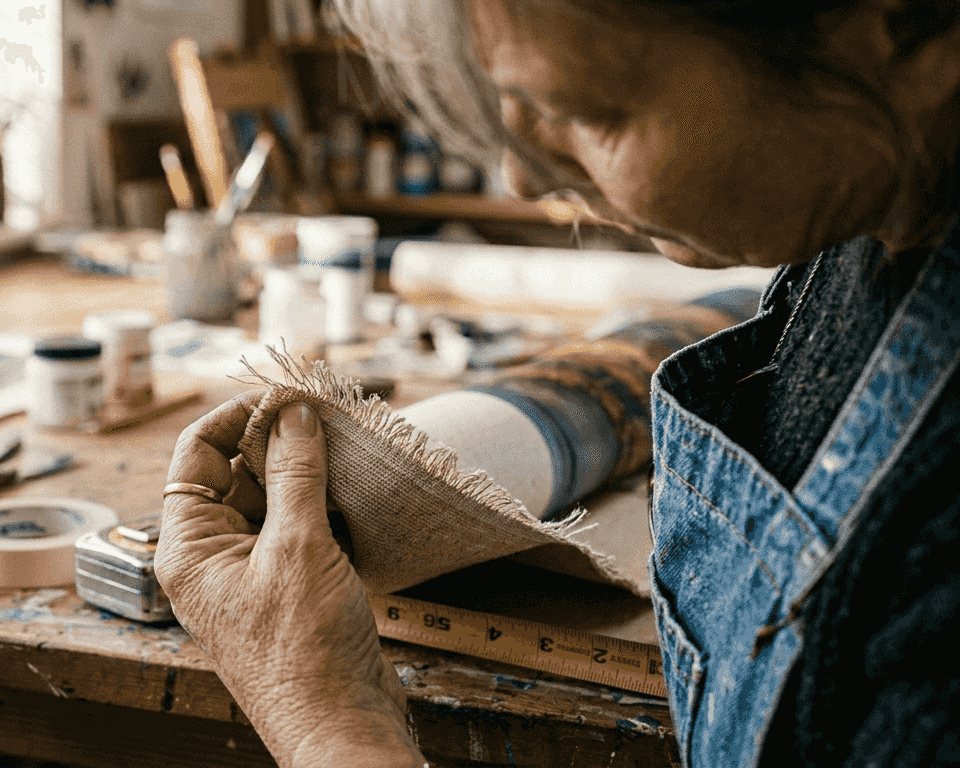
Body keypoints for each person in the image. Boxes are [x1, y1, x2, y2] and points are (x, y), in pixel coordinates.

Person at [155, 0, 960, 765]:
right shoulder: (863, 215)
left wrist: (327, 720)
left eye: (588, 111)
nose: (520, 178)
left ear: (907, 34)